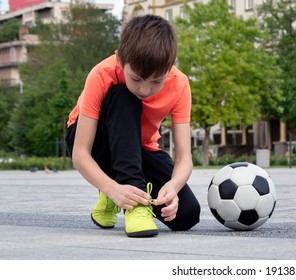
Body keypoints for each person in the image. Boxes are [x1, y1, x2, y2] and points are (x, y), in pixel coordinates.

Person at [65, 14, 200, 238]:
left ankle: (122, 184)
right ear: (120, 60)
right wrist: (112, 189)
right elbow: (80, 153)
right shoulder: (102, 73)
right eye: (136, 78)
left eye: (157, 81)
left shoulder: (180, 84)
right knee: (124, 95)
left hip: (138, 148)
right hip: (95, 142)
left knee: (186, 214)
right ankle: (134, 205)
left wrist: (174, 187)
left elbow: (185, 157)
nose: (145, 90)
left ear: (170, 67)